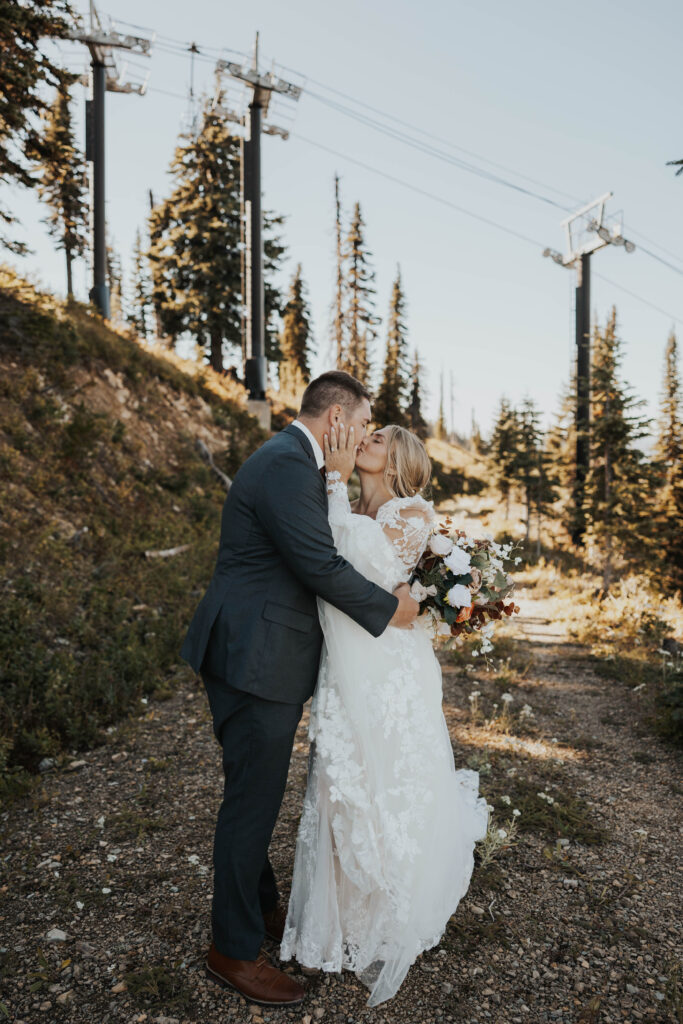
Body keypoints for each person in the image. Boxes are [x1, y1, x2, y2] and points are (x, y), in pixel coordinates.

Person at [180, 371, 419, 1007]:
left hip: (252, 649)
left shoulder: (298, 462)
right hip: (255, 656)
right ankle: (231, 950)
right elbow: (318, 564)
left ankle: (256, 910)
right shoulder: (288, 464)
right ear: (337, 419)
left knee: (248, 791)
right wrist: (390, 611)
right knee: (252, 802)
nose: (367, 435)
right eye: (363, 423)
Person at [279, 421, 490, 1007]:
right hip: (347, 657)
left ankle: (390, 908)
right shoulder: (349, 498)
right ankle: (339, 917)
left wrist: (335, 484)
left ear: (396, 461)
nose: (364, 441)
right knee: (340, 774)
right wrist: (336, 486)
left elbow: (348, 563)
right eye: (367, 436)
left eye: (378, 440)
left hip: (387, 663)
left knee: (388, 773)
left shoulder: (410, 514)